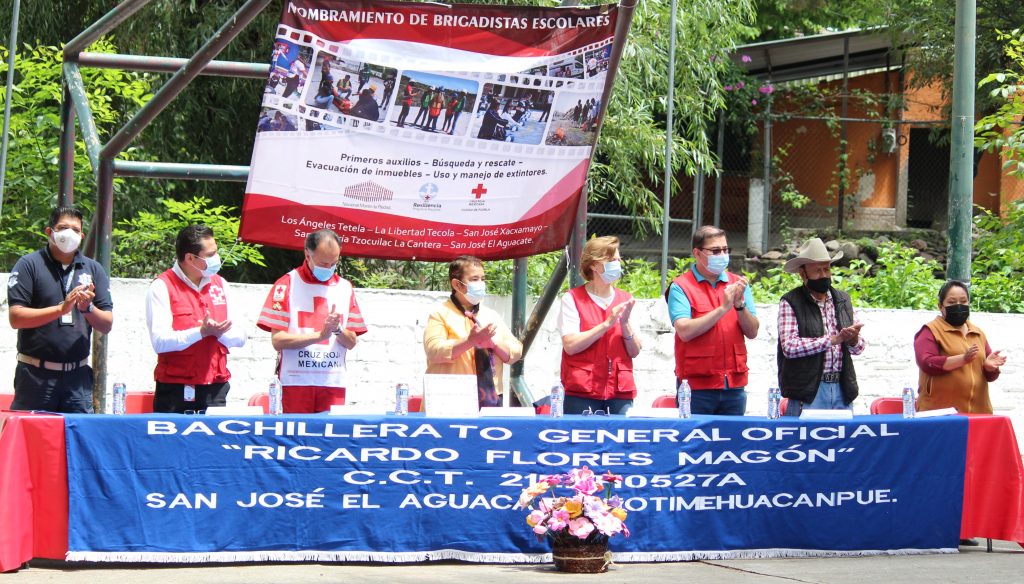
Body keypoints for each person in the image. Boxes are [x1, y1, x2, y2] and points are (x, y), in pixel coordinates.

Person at [7, 206, 114, 413]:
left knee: (78, 441)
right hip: (35, 377)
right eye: (63, 227)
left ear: (82, 236)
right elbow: (16, 317)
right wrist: (60, 309)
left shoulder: (93, 269)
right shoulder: (29, 265)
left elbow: (107, 324)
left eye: (75, 230)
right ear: (50, 232)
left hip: (78, 380)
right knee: (32, 440)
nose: (69, 234)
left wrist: (88, 308)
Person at [257, 230, 368, 413]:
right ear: (307, 254)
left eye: (334, 263)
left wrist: (337, 329)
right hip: (295, 382)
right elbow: (278, 341)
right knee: (295, 438)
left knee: (329, 439)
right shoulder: (286, 284)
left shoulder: (345, 288)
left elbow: (351, 342)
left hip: (332, 383)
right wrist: (319, 336)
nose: (329, 268)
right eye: (324, 263)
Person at [145, 225, 246, 413]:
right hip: (176, 391)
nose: (217, 259)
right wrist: (201, 333)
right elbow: (160, 342)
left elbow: (241, 337)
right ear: (190, 258)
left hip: (216, 387)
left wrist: (219, 333)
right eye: (211, 255)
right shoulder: (162, 286)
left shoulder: (221, 284)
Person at [666, 226, 758, 415]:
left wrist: (739, 306)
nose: (722, 255)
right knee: (695, 443)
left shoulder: (738, 283)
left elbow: (753, 331)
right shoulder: (680, 286)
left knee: (733, 443)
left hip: (734, 385)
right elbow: (684, 331)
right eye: (715, 251)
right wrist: (723, 308)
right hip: (696, 387)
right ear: (697, 253)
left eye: (725, 250)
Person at [777, 237, 865, 416]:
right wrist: (832, 340)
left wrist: (853, 339)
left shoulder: (843, 300)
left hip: (842, 387)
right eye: (817, 271)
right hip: (808, 391)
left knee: (842, 442)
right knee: (805, 442)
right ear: (803, 274)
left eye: (827, 269)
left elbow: (859, 349)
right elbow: (789, 347)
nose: (824, 275)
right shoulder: (791, 301)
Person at [423, 256, 522, 408]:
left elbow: (516, 352)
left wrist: (494, 344)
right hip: (450, 397)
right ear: (457, 284)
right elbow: (434, 351)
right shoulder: (440, 313)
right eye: (475, 279)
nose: (481, 284)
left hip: (490, 399)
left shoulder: (490, 315)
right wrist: (470, 341)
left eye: (483, 279)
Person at [559, 236, 640, 414]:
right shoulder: (572, 299)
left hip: (619, 392)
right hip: (582, 391)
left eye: (618, 259)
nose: (617, 264)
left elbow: (634, 351)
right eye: (611, 260)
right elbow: (570, 346)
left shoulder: (626, 299)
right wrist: (606, 324)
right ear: (594, 265)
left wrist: (624, 324)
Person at [914, 280, 1005, 414]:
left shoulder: (978, 333)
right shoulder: (930, 330)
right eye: (951, 302)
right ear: (941, 306)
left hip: (979, 413)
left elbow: (989, 377)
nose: (958, 306)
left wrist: (989, 368)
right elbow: (927, 363)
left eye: (963, 301)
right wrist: (962, 359)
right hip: (940, 414)